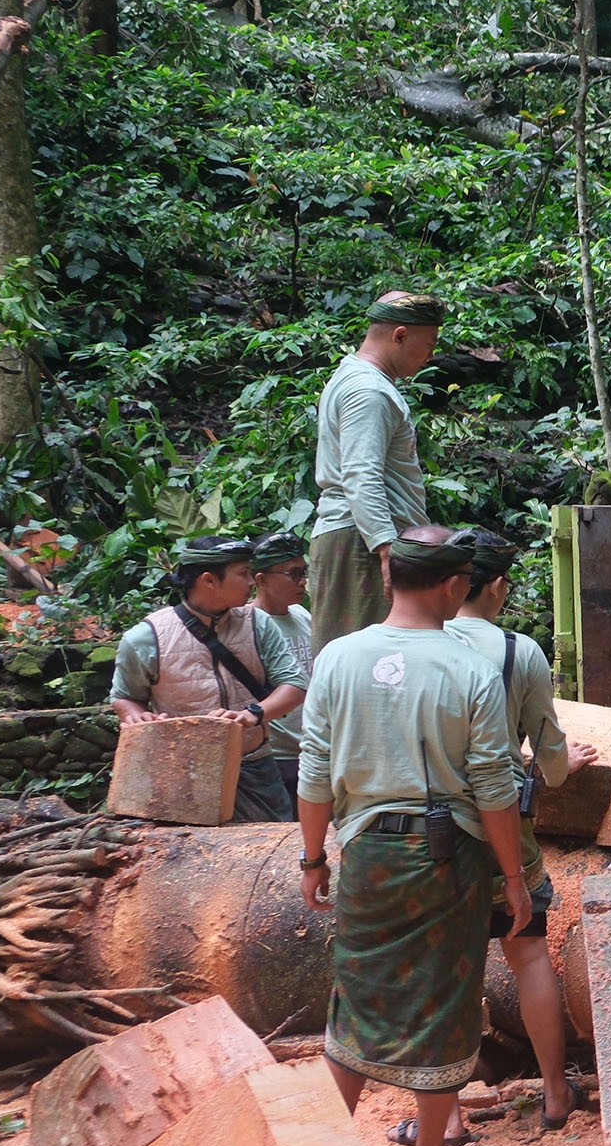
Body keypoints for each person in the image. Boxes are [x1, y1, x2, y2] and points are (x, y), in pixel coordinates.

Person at [298, 525, 529, 1146]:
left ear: (391, 577)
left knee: (356, 998)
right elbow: (493, 788)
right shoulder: (469, 669)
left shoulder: (338, 657)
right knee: (444, 998)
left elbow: (314, 770)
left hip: (364, 850)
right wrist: (512, 877)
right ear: (455, 584)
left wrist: (314, 858)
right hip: (446, 855)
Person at [387, 526, 600, 1146]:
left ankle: (446, 1118)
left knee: (445, 969)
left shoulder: (411, 644)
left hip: (427, 834)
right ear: (498, 585)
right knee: (528, 952)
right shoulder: (519, 652)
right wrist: (562, 765)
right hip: (506, 826)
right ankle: (557, 1094)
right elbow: (553, 763)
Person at [110, 535, 309, 821]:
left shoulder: (258, 624)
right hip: (183, 770)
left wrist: (253, 714)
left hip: (256, 766)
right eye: (242, 574)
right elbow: (125, 697)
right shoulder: (145, 637)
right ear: (209, 580)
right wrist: (138, 717)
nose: (251, 581)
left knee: (272, 848)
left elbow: (294, 685)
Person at [309, 290, 445, 646]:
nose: (430, 356)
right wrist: (386, 549)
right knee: (364, 663)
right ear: (399, 335)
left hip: (362, 538)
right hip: (362, 543)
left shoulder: (356, 380)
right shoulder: (368, 390)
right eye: (428, 344)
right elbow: (360, 474)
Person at [250, 531, 314, 807]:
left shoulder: (301, 614)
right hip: (277, 754)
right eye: (293, 573)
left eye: (304, 572)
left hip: (312, 749)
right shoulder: (248, 625)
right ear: (261, 580)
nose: (302, 581)